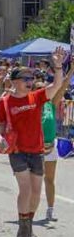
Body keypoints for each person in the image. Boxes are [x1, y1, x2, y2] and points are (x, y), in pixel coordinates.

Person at [0, 49, 67, 237]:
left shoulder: (36, 97)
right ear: (16, 82)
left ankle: (25, 225)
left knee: (37, 192)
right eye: (26, 78)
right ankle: (25, 231)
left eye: (32, 78)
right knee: (25, 190)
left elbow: (56, 86)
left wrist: (58, 66)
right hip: (17, 151)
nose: (30, 81)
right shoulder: (5, 101)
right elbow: (0, 122)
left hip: (36, 150)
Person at [41, 67, 72, 221]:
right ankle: (26, 211)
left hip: (50, 146)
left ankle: (50, 209)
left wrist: (72, 70)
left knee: (49, 180)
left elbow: (63, 85)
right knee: (34, 181)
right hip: (34, 148)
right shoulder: (31, 106)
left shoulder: (50, 104)